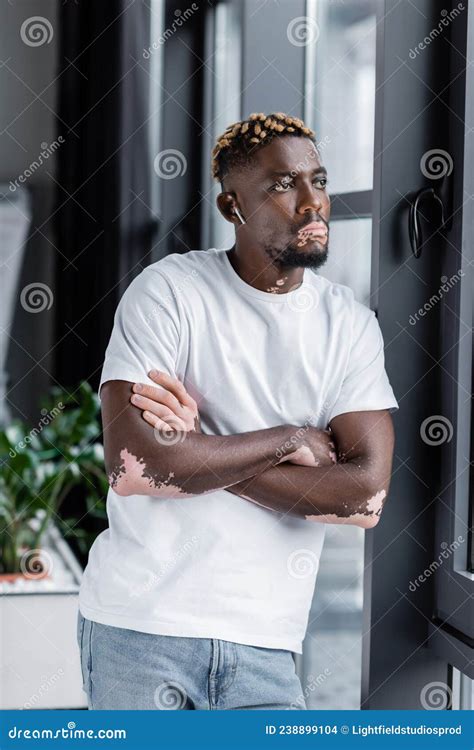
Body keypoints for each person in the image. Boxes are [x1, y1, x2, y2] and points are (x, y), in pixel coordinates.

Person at [77, 112, 398, 710]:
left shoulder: (348, 324)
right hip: (141, 629)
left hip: (267, 644)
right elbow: (135, 467)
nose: (312, 203)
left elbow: (364, 497)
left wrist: (202, 447)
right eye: (282, 185)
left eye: (319, 181)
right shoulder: (169, 290)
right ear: (233, 208)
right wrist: (290, 438)